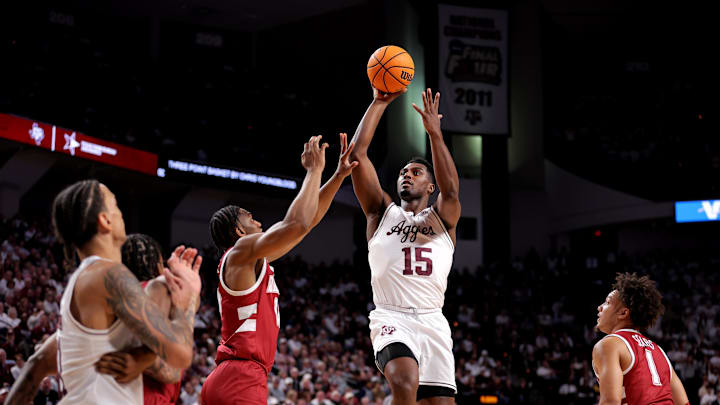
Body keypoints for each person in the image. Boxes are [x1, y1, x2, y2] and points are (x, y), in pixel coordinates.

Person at [5, 180, 201, 405]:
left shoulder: (87, 281)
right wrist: (188, 297)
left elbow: (35, 365)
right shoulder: (110, 276)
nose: (121, 213)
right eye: (115, 205)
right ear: (105, 221)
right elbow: (180, 356)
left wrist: (142, 357)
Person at [201, 134, 358, 404]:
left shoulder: (249, 261)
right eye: (250, 217)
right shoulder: (239, 252)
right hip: (241, 377)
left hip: (239, 376)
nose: (259, 221)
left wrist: (338, 176)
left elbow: (304, 224)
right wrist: (314, 171)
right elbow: (294, 224)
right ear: (239, 230)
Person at [348, 86, 461, 404]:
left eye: (416, 172)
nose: (407, 176)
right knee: (403, 379)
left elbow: (451, 192)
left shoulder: (442, 220)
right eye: (402, 172)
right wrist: (378, 102)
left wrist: (435, 135)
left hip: (433, 320)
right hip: (392, 316)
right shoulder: (380, 212)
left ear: (430, 185)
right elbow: (357, 155)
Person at [93, 233, 196, 404]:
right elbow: (173, 370)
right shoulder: (162, 289)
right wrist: (189, 298)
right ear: (159, 268)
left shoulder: (101, 300)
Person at [593, 273, 690, 405]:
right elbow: (683, 403)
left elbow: (610, 402)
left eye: (607, 302)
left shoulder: (609, 344)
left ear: (623, 313)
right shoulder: (659, 351)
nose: (600, 307)